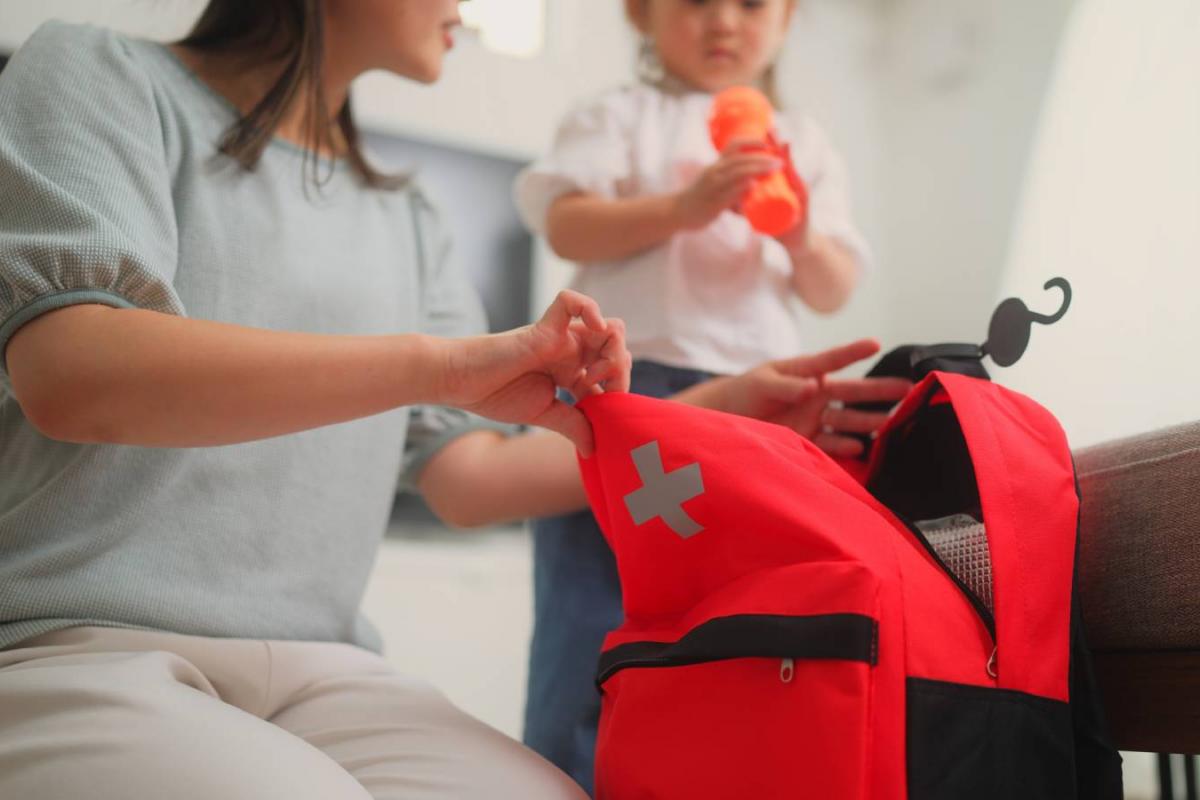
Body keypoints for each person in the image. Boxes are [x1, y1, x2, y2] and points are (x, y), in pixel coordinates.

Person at [0, 2, 905, 798]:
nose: (468, 11)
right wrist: (439, 365)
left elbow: (467, 480)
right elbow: (75, 372)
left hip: (331, 672)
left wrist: (720, 410)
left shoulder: (410, 219)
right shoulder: (95, 72)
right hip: (78, 643)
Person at [513, 0, 876, 792]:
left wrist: (799, 237)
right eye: (694, 2)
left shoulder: (803, 143)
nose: (722, 22)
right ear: (641, 14)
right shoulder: (619, 114)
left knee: (732, 605)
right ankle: (564, 774)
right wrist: (682, 208)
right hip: (628, 390)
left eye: (750, 5)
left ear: (787, 18)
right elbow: (568, 225)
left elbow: (833, 285)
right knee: (590, 606)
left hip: (757, 405)